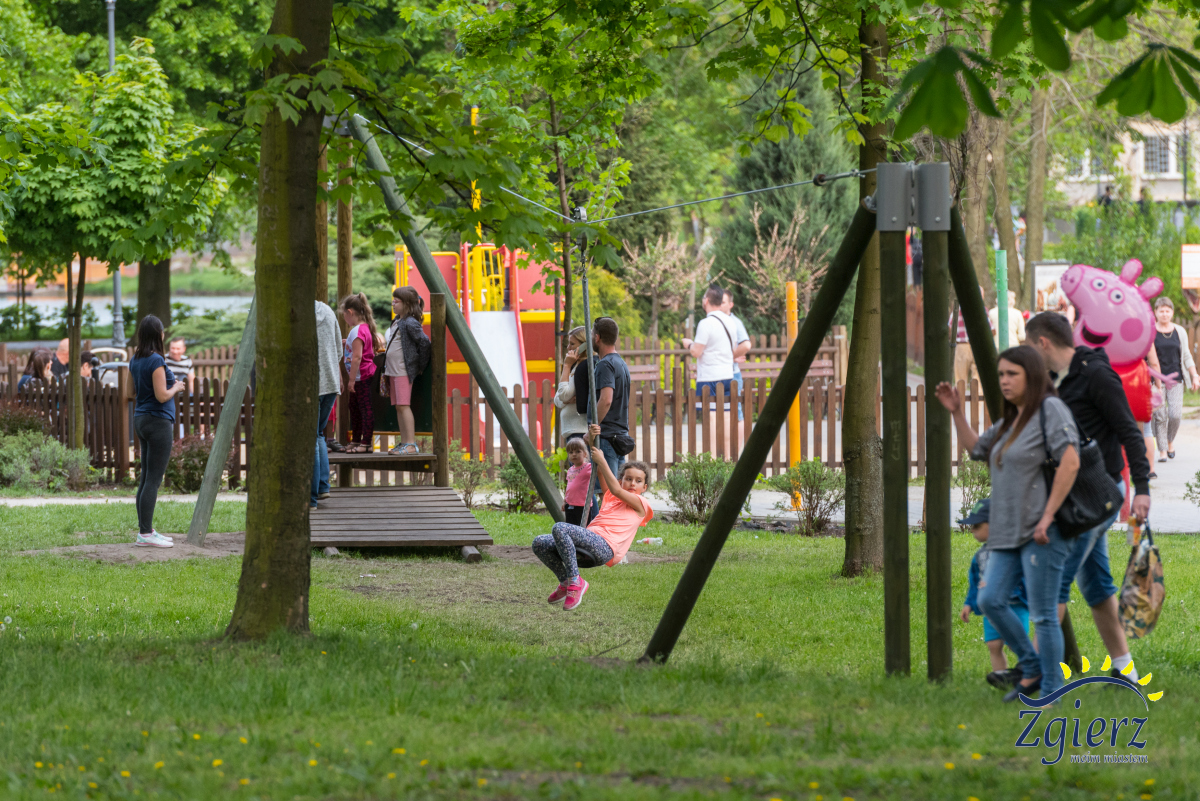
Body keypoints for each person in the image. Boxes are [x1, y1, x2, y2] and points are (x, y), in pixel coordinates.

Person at [935, 345, 1080, 702]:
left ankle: (1050, 691)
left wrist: (1048, 515)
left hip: (1041, 532)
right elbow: (977, 450)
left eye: (1012, 374)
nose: (1004, 380)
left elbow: (1071, 461)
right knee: (990, 599)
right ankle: (1031, 667)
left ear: (1032, 376)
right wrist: (956, 413)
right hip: (1005, 533)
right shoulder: (1010, 422)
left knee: (1044, 616)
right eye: (1001, 374)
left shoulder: (1050, 410)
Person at [1026, 311, 1150, 683]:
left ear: (1043, 343)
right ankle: (1126, 671)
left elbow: (1130, 431)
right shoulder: (1052, 380)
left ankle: (1032, 675)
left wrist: (1142, 489)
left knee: (1055, 584)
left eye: (1030, 346)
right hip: (1075, 497)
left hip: (1100, 495)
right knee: (1096, 585)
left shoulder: (1095, 375)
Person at [532, 424, 653, 611]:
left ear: (644, 488)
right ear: (621, 480)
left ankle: (576, 582)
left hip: (604, 547)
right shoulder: (612, 498)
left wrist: (603, 460)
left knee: (560, 527)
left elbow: (616, 489)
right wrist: (590, 443)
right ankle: (565, 582)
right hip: (589, 542)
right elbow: (601, 473)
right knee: (539, 543)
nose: (632, 483)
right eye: (628, 479)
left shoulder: (640, 504)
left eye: (638, 481)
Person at [958, 499, 1033, 690]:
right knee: (993, 644)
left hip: (1016, 606)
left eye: (977, 526)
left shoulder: (1014, 550)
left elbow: (1028, 575)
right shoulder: (980, 556)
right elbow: (975, 583)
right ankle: (1002, 679)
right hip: (991, 610)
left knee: (1016, 643)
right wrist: (969, 603)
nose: (972, 530)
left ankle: (1026, 673)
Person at [128, 315, 186, 549]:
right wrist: (177, 387)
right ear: (158, 334)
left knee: (146, 478)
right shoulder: (156, 360)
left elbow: (131, 391)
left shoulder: (135, 359)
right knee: (153, 479)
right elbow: (162, 395)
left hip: (141, 419)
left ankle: (146, 530)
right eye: (162, 331)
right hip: (158, 421)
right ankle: (145, 534)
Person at [574, 317, 631, 479]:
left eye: (592, 334)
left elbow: (606, 400)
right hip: (619, 437)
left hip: (605, 438)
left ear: (597, 337)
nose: (591, 338)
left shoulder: (605, 364)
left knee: (605, 489)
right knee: (616, 488)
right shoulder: (621, 363)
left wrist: (592, 430)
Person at [382, 286, 432, 455]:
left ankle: (410, 444)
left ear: (407, 304)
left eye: (396, 301)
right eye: (393, 300)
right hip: (394, 370)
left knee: (404, 406)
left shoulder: (410, 322)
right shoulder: (398, 320)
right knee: (399, 407)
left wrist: (419, 366)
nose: (393, 304)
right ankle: (404, 442)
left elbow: (424, 343)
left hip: (403, 371)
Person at [1150, 297, 1197, 462]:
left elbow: (1187, 356)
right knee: (1160, 415)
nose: (1164, 314)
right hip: (1156, 381)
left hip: (1176, 380)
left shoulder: (1180, 331)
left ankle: (1170, 440)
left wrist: (1194, 375)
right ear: (1155, 312)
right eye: (1161, 311)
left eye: (1167, 311)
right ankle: (1163, 450)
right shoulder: (1150, 332)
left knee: (1175, 415)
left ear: (1172, 312)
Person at [338, 293, 382, 454]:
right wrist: (347, 343)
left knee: (364, 408)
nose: (344, 319)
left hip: (360, 377)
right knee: (354, 407)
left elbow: (357, 357)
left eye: (344, 315)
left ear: (350, 312)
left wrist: (351, 380)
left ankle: (366, 443)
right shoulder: (363, 328)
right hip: (361, 376)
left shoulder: (356, 330)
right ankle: (356, 439)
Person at [682, 285, 737, 404]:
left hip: (709, 377)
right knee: (726, 412)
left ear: (706, 300)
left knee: (709, 413)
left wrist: (689, 344)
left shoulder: (705, 323)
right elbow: (734, 348)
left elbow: (696, 352)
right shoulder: (731, 322)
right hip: (728, 375)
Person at [311, 300, 342, 509]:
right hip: (330, 382)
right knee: (319, 434)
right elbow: (339, 349)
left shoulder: (297, 315)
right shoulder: (328, 311)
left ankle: (310, 499)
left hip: (311, 384)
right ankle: (323, 487)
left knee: (311, 438)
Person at [554, 326, 590, 446]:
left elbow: (563, 395)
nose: (568, 347)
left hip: (580, 430)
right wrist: (566, 400)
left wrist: (566, 366)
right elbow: (557, 399)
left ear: (584, 345)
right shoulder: (576, 366)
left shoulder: (582, 367)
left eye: (572, 344)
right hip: (572, 430)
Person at [720, 290, 753, 420]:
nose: (719, 304)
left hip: (731, 374)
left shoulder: (734, 322)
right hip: (716, 374)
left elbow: (745, 344)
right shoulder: (713, 321)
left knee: (735, 413)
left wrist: (730, 357)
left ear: (731, 304)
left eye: (723, 302)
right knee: (719, 414)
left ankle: (739, 436)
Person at [950, 288, 992, 385]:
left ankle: (960, 395)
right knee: (978, 378)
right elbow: (991, 329)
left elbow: (950, 327)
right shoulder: (981, 310)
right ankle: (978, 395)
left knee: (960, 379)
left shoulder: (958, 310)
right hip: (978, 346)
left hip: (962, 346)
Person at [560, 438, 593, 526]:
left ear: (585, 454)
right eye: (571, 452)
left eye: (578, 451)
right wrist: (565, 501)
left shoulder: (589, 467)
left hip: (583, 506)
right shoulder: (570, 470)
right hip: (569, 505)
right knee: (571, 528)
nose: (574, 454)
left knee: (583, 528)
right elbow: (569, 487)